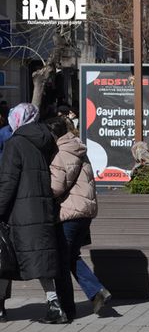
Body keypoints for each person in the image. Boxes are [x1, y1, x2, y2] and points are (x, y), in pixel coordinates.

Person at [0, 103, 70, 324]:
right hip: (41, 209)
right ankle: (54, 305)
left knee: (4, 258)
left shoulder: (15, 143)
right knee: (39, 259)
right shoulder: (45, 141)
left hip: (19, 213)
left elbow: (7, 183)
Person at [46, 118, 111, 315]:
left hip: (70, 212)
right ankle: (96, 291)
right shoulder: (75, 147)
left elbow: (56, 187)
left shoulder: (62, 153)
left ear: (53, 135)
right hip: (83, 211)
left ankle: (66, 309)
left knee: (61, 261)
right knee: (71, 256)